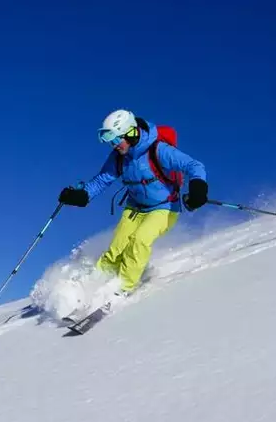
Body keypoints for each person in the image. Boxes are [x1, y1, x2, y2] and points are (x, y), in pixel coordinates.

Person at [58, 109, 208, 297]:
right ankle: (96, 280)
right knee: (116, 247)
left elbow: (194, 166)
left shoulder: (158, 150)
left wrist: (198, 187)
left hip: (164, 209)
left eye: (115, 140)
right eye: (110, 142)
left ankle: (123, 288)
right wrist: (82, 196)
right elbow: (102, 180)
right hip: (135, 208)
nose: (113, 146)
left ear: (130, 132)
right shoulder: (119, 157)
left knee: (139, 241)